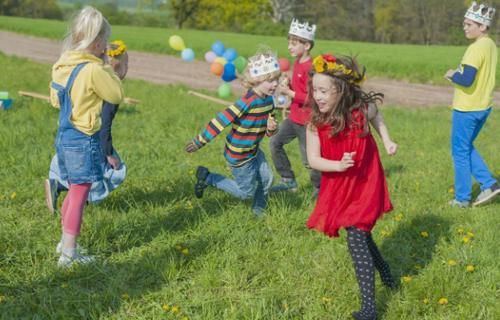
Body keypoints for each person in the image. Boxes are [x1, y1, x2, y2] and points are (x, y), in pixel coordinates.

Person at [306, 54, 397, 320]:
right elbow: (313, 160)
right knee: (362, 234)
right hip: (339, 183)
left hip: (366, 180)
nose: (318, 96)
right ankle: (387, 272)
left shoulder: (360, 112)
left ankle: (369, 309)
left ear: (341, 90)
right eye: (315, 90)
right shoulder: (315, 123)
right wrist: (337, 166)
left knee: (356, 235)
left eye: (324, 91)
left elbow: (377, 116)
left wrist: (388, 140)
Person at [48, 6, 123, 267]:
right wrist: (108, 67)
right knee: (80, 193)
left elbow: (55, 101)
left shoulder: (62, 65)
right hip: (83, 138)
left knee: (73, 188)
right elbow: (115, 95)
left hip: (64, 135)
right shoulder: (93, 70)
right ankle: (69, 254)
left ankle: (64, 242)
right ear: (100, 43)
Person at [185, 48, 280, 216]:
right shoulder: (246, 102)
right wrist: (200, 141)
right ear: (257, 80)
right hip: (238, 155)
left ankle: (259, 210)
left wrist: (272, 129)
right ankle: (208, 178)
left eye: (276, 80)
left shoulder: (269, 101)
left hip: (254, 150)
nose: (275, 84)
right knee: (246, 192)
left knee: (267, 179)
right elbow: (220, 121)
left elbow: (268, 126)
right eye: (271, 80)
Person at [45, 40, 129, 212]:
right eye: (127, 64)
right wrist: (108, 153)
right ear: (119, 69)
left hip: (72, 131)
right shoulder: (110, 92)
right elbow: (105, 125)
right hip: (93, 139)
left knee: (74, 166)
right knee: (113, 171)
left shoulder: (88, 77)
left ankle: (58, 183)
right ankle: (71, 195)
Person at [444, 1, 499, 208]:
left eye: (469, 24)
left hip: (467, 108)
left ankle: (463, 198)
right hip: (483, 106)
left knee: (459, 151)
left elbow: (466, 79)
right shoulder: (491, 45)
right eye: (464, 23)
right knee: (465, 147)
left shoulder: (475, 49)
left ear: (483, 27)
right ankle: (489, 184)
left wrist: (452, 75)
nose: (465, 27)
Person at [269, 18, 321, 196]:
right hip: (294, 118)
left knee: (310, 160)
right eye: (289, 43)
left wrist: (290, 93)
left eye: (294, 43)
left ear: (306, 45)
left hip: (309, 122)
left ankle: (320, 187)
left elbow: (314, 98)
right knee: (275, 142)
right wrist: (288, 85)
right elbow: (298, 89)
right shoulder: (297, 62)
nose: (289, 47)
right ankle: (288, 179)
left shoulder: (311, 67)